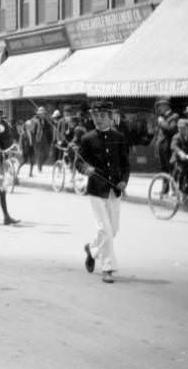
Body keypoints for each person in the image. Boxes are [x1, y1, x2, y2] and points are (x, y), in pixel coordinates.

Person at [76, 101, 130, 284]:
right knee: (105, 230)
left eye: (101, 116)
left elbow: (125, 164)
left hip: (114, 190)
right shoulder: (87, 138)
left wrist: (124, 181)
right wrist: (86, 169)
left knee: (113, 230)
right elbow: (79, 162)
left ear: (110, 117)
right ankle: (108, 268)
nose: (98, 119)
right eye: (95, 116)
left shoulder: (119, 137)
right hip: (96, 190)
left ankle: (91, 250)